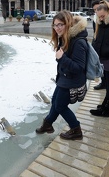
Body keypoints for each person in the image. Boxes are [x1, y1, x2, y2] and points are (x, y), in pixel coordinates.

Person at [35, 11, 88, 140]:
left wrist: (62, 58)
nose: (57, 28)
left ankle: (76, 129)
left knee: (60, 106)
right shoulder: (64, 38)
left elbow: (79, 68)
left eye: (61, 25)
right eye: (55, 25)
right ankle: (48, 124)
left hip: (72, 81)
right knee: (55, 101)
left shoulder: (78, 42)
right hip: (64, 78)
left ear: (68, 24)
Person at [91, 0, 106, 90]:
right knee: (100, 64)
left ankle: (107, 83)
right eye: (94, 9)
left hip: (106, 47)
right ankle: (103, 82)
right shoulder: (94, 18)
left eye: (98, 8)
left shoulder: (106, 18)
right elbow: (95, 33)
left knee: (107, 66)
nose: (96, 11)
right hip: (98, 45)